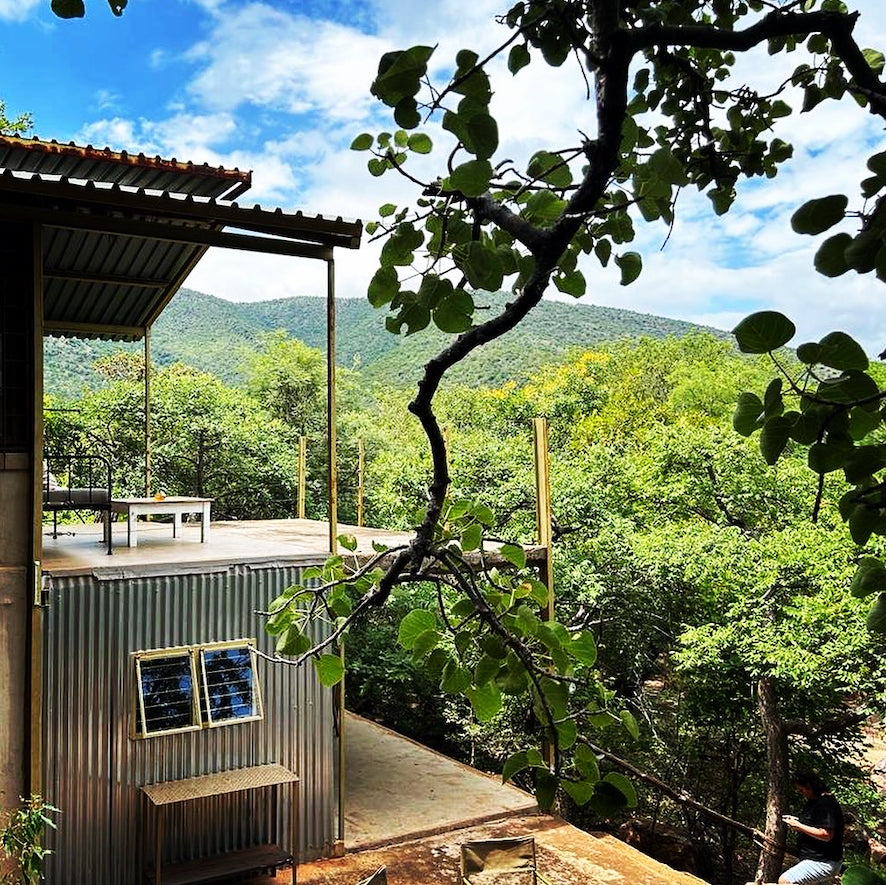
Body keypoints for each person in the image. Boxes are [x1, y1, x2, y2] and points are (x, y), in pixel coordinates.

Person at [779, 772, 844, 885]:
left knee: (785, 881)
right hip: (813, 859)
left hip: (823, 862)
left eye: (801, 790)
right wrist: (798, 822)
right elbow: (815, 824)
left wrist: (799, 826)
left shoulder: (826, 804)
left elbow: (826, 835)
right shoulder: (814, 802)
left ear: (810, 786)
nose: (800, 793)